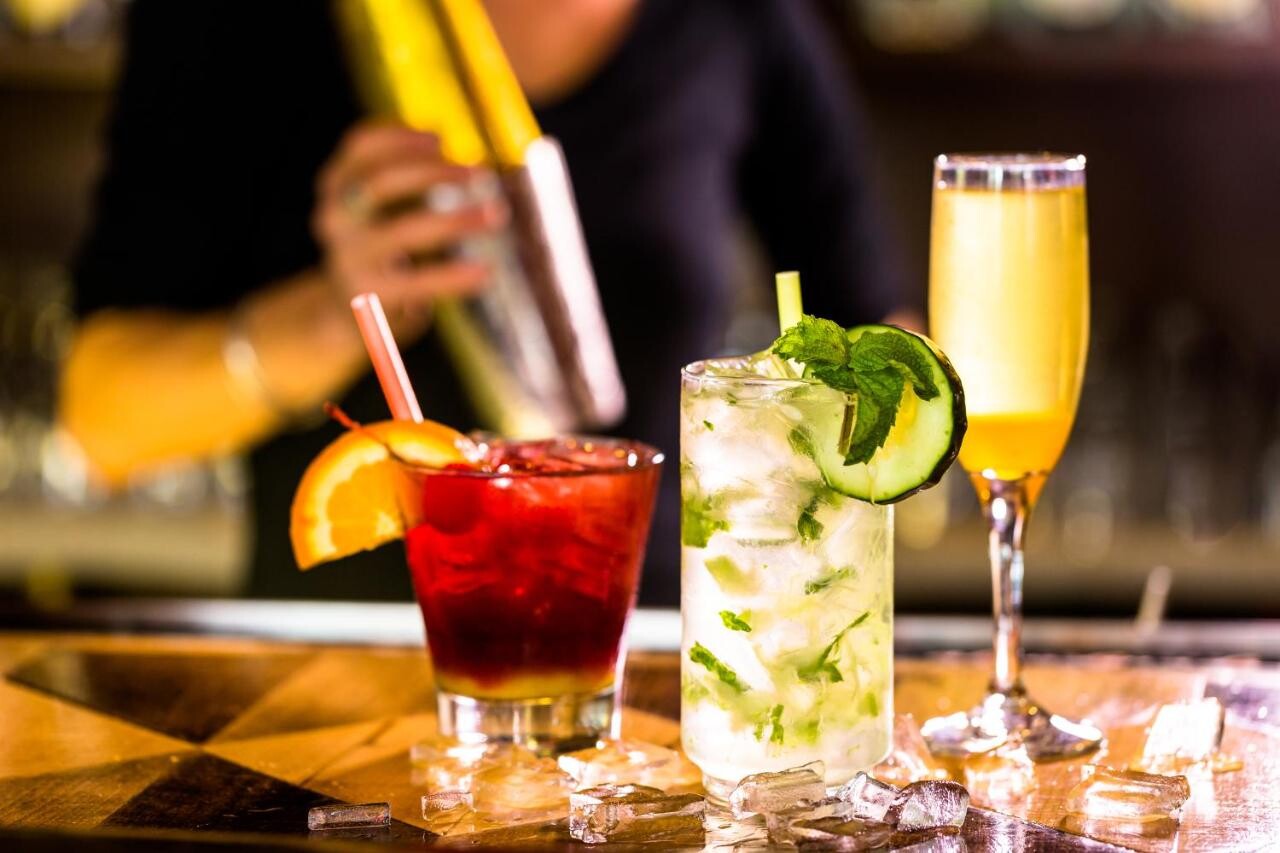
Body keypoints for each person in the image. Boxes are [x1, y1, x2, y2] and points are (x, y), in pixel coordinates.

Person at [62, 0, 910, 604]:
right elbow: (102, 422)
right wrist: (330, 312)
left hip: (654, 673)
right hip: (336, 673)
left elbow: (889, 357)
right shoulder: (233, 18)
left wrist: (776, 470)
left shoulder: (738, 18)